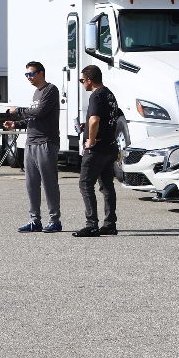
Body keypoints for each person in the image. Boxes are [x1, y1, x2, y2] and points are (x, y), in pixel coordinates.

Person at [4, 61, 62, 233]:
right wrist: (16, 124)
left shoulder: (50, 90)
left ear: (41, 73)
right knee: (31, 184)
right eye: (26, 75)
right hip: (31, 142)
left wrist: (17, 111)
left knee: (49, 183)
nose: (28, 77)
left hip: (46, 142)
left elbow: (39, 112)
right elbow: (33, 118)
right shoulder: (36, 93)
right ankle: (35, 220)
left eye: (31, 74)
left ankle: (55, 221)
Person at [73, 65, 119, 237]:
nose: (82, 83)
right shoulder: (109, 95)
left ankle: (91, 224)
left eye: (82, 80)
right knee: (107, 186)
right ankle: (110, 224)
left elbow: (94, 120)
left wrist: (90, 141)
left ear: (89, 80)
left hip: (97, 149)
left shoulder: (96, 95)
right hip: (109, 147)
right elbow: (111, 118)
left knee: (85, 184)